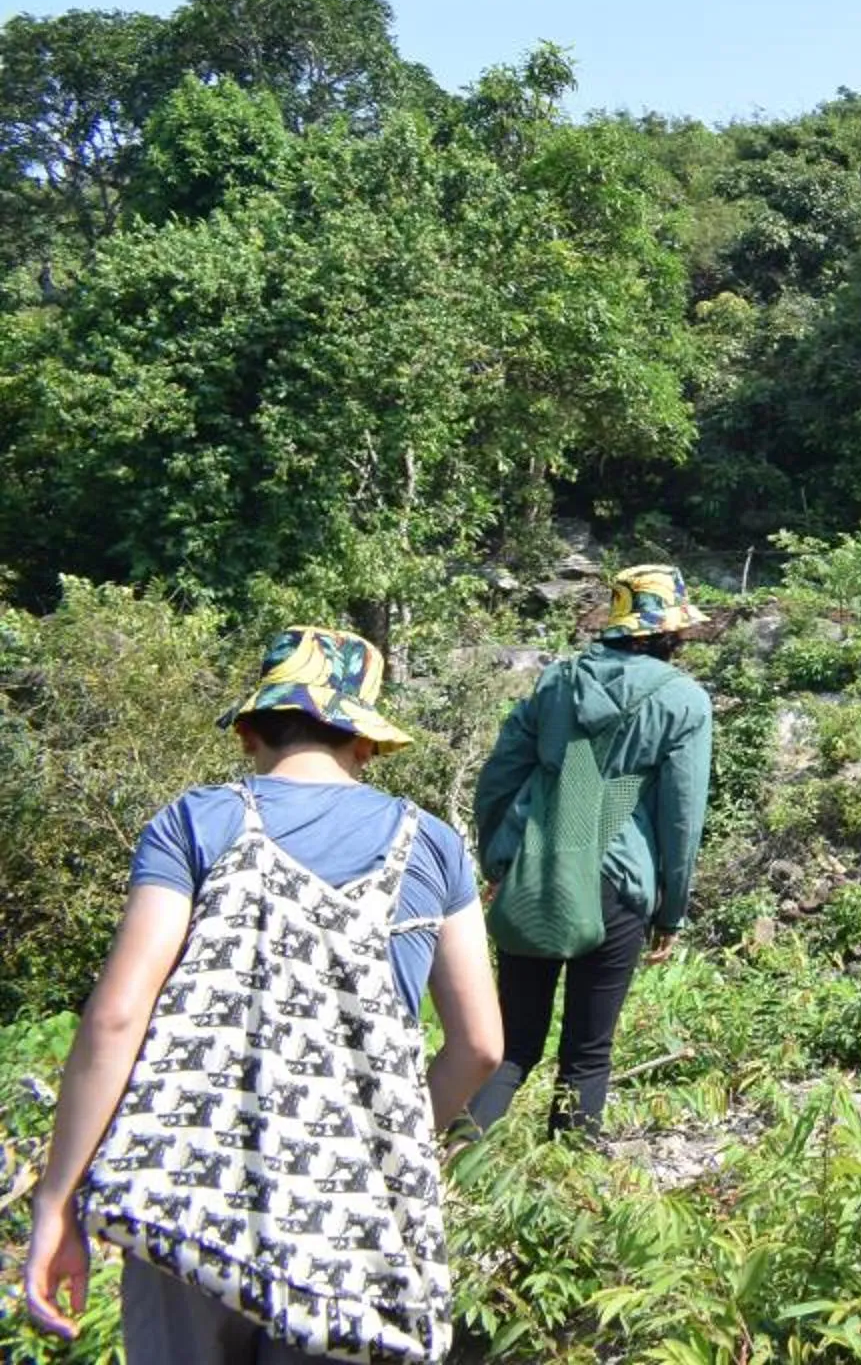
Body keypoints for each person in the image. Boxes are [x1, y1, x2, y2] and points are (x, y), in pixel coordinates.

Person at [18, 626, 503, 1363]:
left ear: (249, 732)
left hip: (184, 1196)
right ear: (365, 743)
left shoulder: (195, 821)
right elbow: (480, 1047)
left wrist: (58, 1198)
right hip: (343, 1221)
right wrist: (386, 1145)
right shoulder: (434, 845)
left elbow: (117, 1016)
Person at [466, 564, 713, 1140]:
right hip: (617, 883)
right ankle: (571, 1169)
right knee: (587, 1051)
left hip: (537, 868)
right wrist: (670, 911)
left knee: (513, 1044)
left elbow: (499, 778)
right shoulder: (683, 701)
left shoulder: (558, 683)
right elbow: (681, 816)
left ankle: (452, 1161)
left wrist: (500, 864)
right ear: (672, 631)